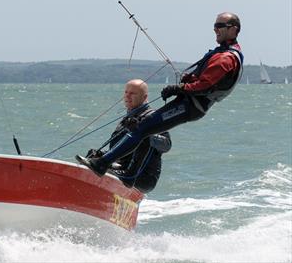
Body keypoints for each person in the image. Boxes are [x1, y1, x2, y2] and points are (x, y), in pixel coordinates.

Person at [77, 12, 243, 178]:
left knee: (142, 128)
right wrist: (187, 81)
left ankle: (103, 164)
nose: (216, 30)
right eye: (215, 26)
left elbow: (205, 85)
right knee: (142, 127)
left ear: (233, 29)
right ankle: (107, 162)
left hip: (191, 106)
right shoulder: (225, 53)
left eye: (221, 26)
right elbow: (204, 81)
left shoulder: (226, 58)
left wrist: (178, 88)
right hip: (188, 104)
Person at [86, 79, 171, 192]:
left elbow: (167, 145)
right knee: (93, 158)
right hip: (121, 168)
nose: (127, 96)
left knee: (143, 135)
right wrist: (102, 154)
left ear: (144, 97)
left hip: (143, 177)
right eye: (126, 92)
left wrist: (142, 133)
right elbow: (122, 152)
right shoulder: (126, 119)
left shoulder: (153, 117)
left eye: (133, 93)